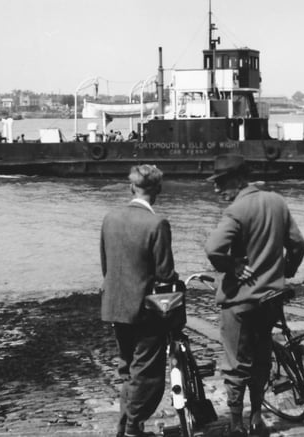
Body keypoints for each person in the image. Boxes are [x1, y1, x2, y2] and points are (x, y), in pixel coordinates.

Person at [203, 154, 304, 436]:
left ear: (237, 180)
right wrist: (287, 270)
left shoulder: (236, 211)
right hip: (271, 298)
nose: (216, 189)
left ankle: (236, 424)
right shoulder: (276, 202)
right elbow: (297, 244)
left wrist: (233, 266)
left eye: (221, 182)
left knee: (236, 364)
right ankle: (257, 417)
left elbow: (213, 248)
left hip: (240, 302)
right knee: (262, 358)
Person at [100, 164, 178, 437]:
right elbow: (165, 273)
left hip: (115, 305)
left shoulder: (110, 218)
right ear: (157, 190)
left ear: (131, 187)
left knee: (128, 369)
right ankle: (133, 428)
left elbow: (106, 265)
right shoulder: (157, 224)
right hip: (145, 311)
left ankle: (125, 427)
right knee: (147, 374)